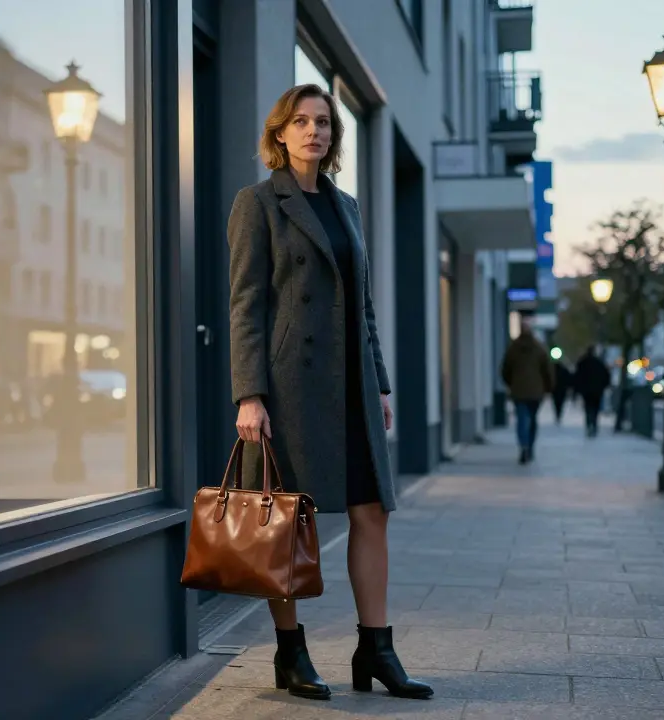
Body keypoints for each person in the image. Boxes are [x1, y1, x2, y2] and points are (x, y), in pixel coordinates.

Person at [228, 84, 432, 701]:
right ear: (280, 134)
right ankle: (290, 654)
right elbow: (246, 306)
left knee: (374, 513)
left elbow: (362, 306)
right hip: (290, 389)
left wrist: (381, 383)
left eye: (323, 122)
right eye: (301, 121)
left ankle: (378, 650)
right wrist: (250, 394)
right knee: (288, 521)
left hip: (353, 388)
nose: (314, 131)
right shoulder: (258, 203)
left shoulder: (348, 207)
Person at [500, 324, 554, 464]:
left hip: (518, 390)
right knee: (532, 418)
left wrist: (510, 383)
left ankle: (523, 445)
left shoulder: (513, 349)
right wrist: (548, 387)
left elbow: (505, 369)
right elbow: (547, 370)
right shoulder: (539, 349)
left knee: (522, 419)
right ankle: (529, 446)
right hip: (536, 391)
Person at [573, 346, 610, 437]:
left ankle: (589, 424)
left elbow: (577, 376)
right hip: (597, 390)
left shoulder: (582, 362)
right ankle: (594, 424)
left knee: (588, 407)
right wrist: (604, 386)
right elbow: (606, 375)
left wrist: (577, 389)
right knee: (595, 408)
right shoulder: (599, 363)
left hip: (586, 390)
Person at [551, 358, 573, 424]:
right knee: (561, 402)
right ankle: (559, 414)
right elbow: (569, 379)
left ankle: (557, 414)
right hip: (562, 389)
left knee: (556, 403)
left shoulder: (553, 370)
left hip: (555, 389)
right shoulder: (564, 370)